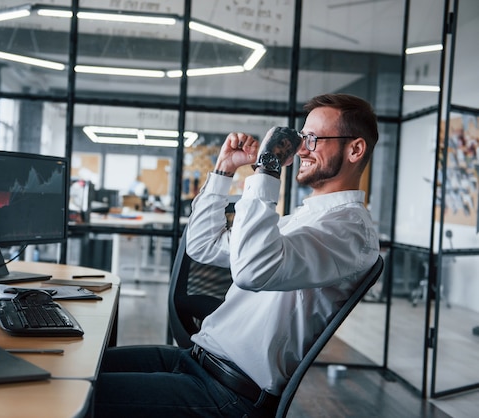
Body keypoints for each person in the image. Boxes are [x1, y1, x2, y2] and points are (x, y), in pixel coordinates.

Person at [94, 93, 381, 417]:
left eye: (312, 139)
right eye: (302, 137)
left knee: (73, 395)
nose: (301, 149)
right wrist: (224, 170)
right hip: (194, 361)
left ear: (355, 149)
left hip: (226, 395)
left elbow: (252, 271)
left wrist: (268, 166)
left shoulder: (350, 232)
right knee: (79, 368)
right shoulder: (303, 219)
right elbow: (202, 245)